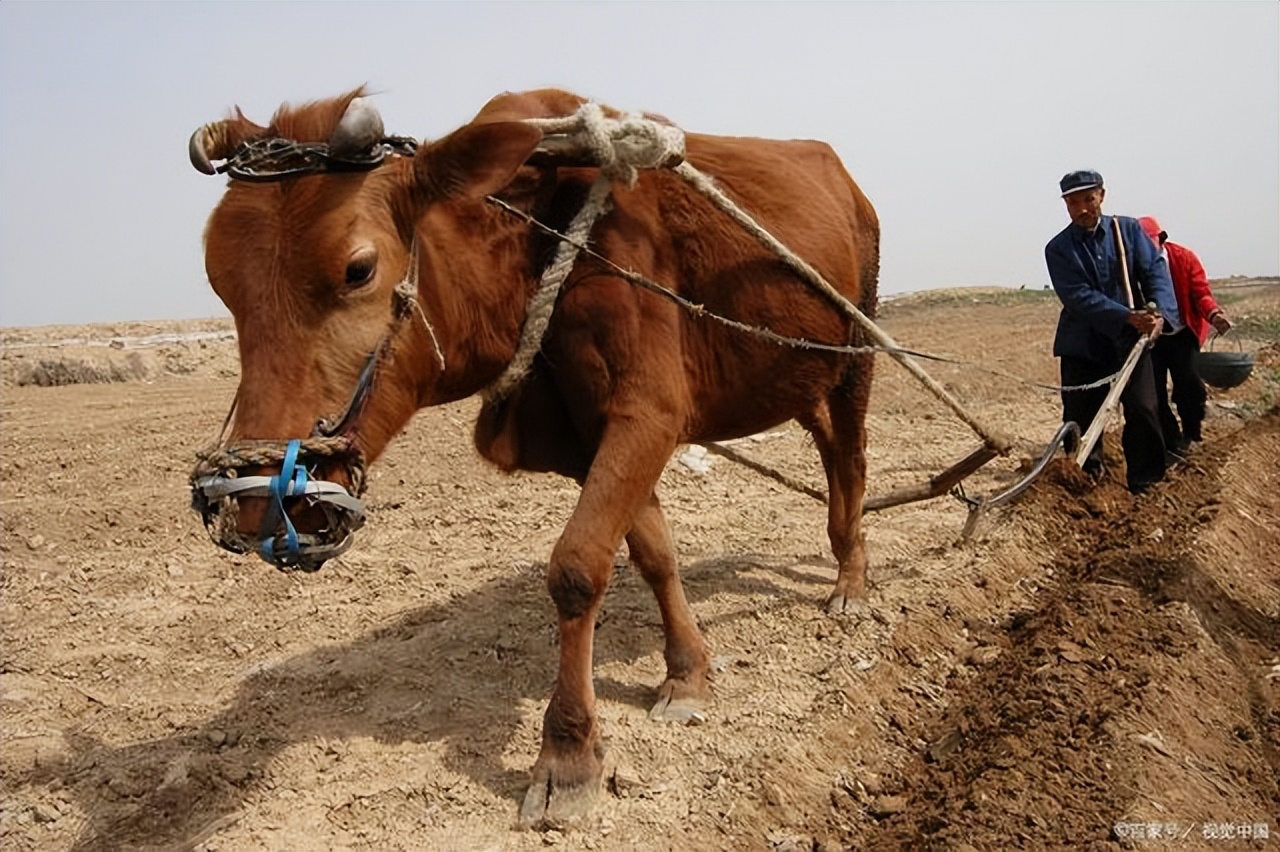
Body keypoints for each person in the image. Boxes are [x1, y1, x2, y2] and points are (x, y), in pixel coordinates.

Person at [1044, 170, 1181, 494]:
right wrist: (1125, 316)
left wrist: (1159, 312)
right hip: (1083, 343)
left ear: (1101, 196)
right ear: (1066, 205)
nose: (1081, 209)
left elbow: (1155, 273)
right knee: (1080, 416)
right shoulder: (1058, 248)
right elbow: (1078, 297)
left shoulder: (1129, 230)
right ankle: (1087, 483)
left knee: (1145, 408)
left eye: (1088, 200)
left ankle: (1146, 482)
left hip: (1131, 343)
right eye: (1073, 203)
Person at [1138, 216, 1233, 459]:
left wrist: (1214, 315)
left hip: (1182, 333)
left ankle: (1192, 433)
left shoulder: (1184, 259)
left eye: (1150, 244)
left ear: (1161, 239)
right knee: (1154, 393)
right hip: (1153, 338)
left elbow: (1201, 294)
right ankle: (1171, 442)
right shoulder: (1133, 266)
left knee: (1189, 386)